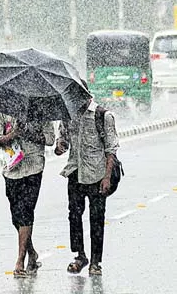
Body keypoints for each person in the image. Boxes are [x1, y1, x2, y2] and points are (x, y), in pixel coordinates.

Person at [55, 84, 120, 276]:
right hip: (75, 172)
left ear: (86, 95)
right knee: (74, 216)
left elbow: (111, 150)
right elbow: (62, 143)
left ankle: (95, 261)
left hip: (97, 175)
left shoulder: (103, 116)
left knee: (96, 219)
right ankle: (80, 255)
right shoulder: (67, 115)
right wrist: (60, 147)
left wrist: (107, 178)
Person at [0, 113, 55, 278]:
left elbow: (49, 139)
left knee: (26, 211)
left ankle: (20, 260)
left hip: (34, 166)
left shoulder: (41, 109)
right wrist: (13, 135)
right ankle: (32, 253)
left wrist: (29, 133)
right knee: (16, 217)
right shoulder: (2, 110)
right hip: (12, 169)